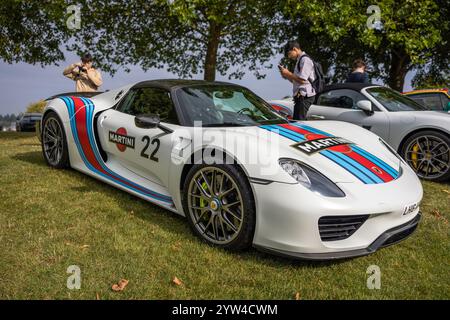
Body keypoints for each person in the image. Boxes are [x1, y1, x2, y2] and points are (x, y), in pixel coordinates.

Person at [279, 41, 316, 120]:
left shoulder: (305, 59)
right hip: (300, 96)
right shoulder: (299, 60)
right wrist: (286, 75)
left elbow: (302, 80)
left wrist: (288, 73)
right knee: (297, 120)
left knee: (299, 122)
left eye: (289, 54)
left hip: (305, 96)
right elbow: (296, 81)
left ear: (294, 49)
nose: (289, 57)